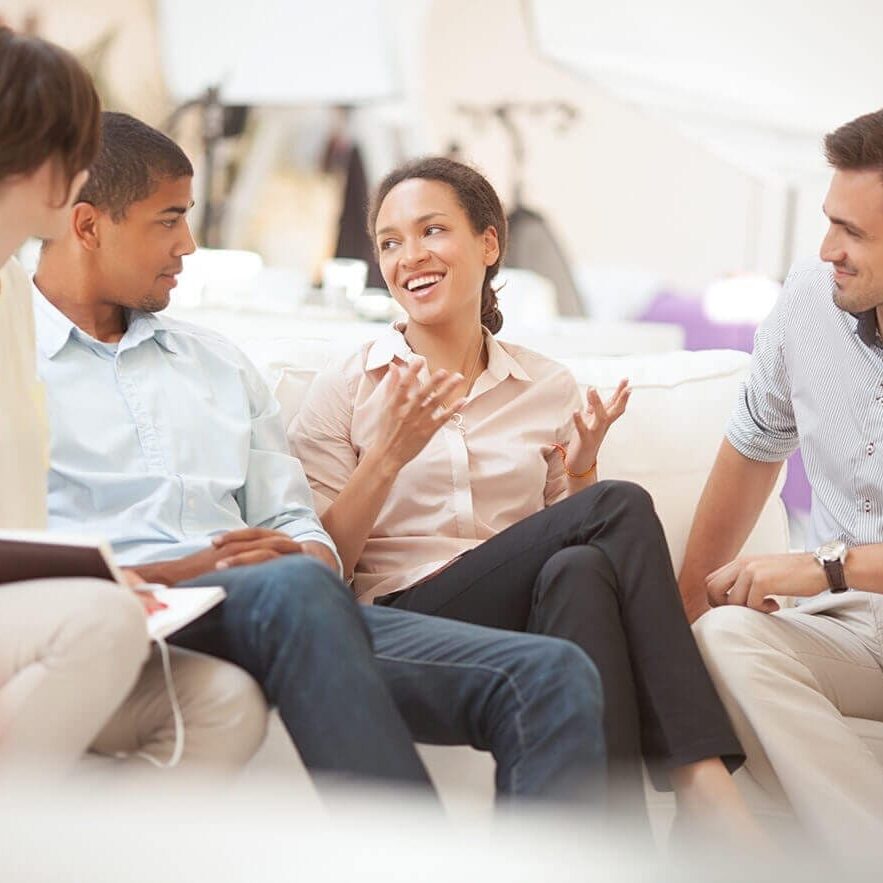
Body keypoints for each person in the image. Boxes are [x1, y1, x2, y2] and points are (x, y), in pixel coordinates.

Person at [33, 110, 607, 803]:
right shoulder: (15, 365)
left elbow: (298, 527)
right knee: (294, 589)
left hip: (274, 608)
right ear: (90, 226)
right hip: (116, 607)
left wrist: (301, 553)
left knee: (554, 674)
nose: (188, 243)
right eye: (168, 219)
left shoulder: (218, 365)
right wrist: (189, 565)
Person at [289, 155, 753, 838]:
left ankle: (601, 852)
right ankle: (700, 777)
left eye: (431, 231)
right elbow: (321, 572)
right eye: (389, 241)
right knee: (617, 507)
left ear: (488, 243)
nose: (408, 255)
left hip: (517, 619)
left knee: (582, 568)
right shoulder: (348, 385)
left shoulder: (546, 387)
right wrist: (387, 456)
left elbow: (560, 543)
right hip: (401, 617)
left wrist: (583, 473)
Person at [0, 28, 266, 778]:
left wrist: (107, 571)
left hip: (20, 604)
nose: (89, 170)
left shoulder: (15, 299)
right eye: (77, 148)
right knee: (99, 623)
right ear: (32, 155)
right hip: (37, 616)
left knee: (222, 702)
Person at [680, 108, 883, 852]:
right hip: (857, 631)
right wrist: (679, 640)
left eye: (852, 233)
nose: (828, 249)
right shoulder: (807, 302)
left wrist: (820, 566)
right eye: (830, 221)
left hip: (843, 586)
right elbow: (748, 455)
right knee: (727, 636)